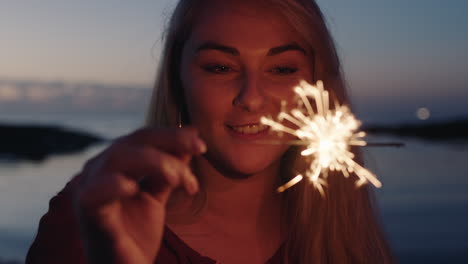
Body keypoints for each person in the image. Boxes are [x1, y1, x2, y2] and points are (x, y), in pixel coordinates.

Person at [26, 0, 394, 263]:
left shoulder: (340, 236)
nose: (251, 98)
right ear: (178, 80)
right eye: (220, 67)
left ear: (318, 86)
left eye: (281, 69)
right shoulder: (92, 222)